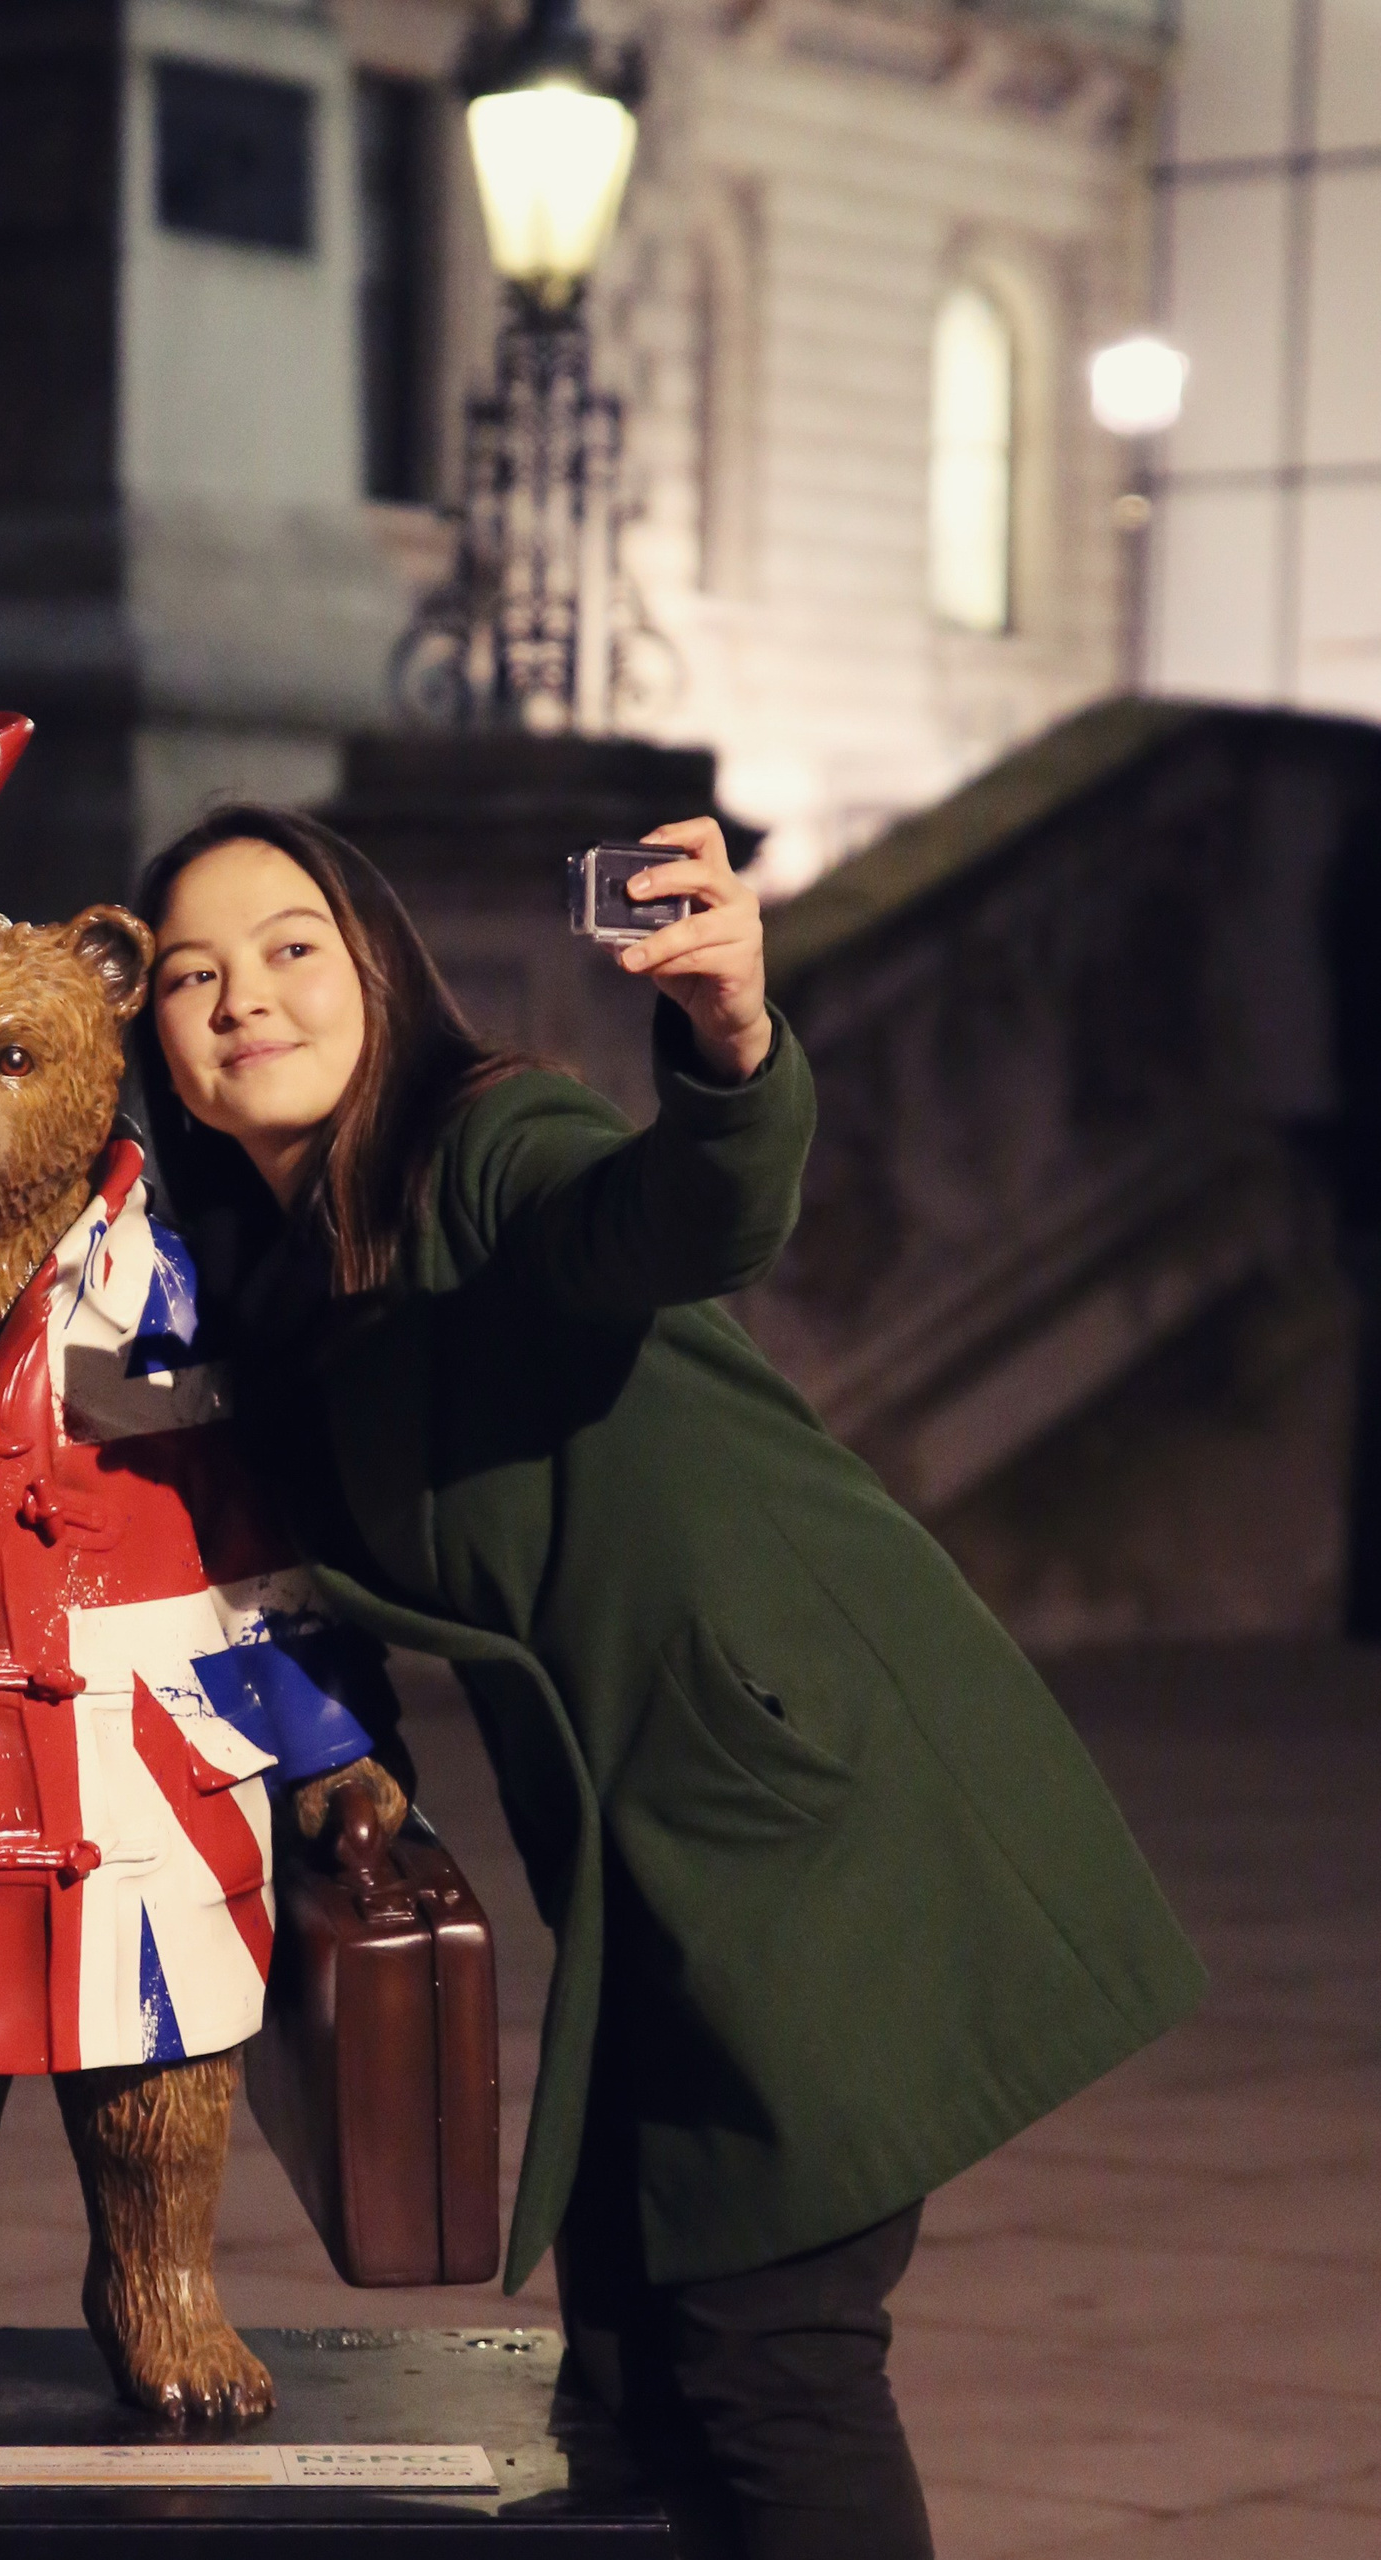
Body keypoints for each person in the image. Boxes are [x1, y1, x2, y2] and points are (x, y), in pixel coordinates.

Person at [128, 805, 1206, 2560]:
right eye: (195, 975)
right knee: (634, 2354)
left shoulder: (487, 1148)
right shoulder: (295, 1296)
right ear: (160, 1048)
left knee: (771, 2353)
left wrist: (729, 1045)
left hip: (806, 1818)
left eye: (293, 946)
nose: (249, 995)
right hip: (657, 1871)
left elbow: (676, 1214)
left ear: (381, 971)